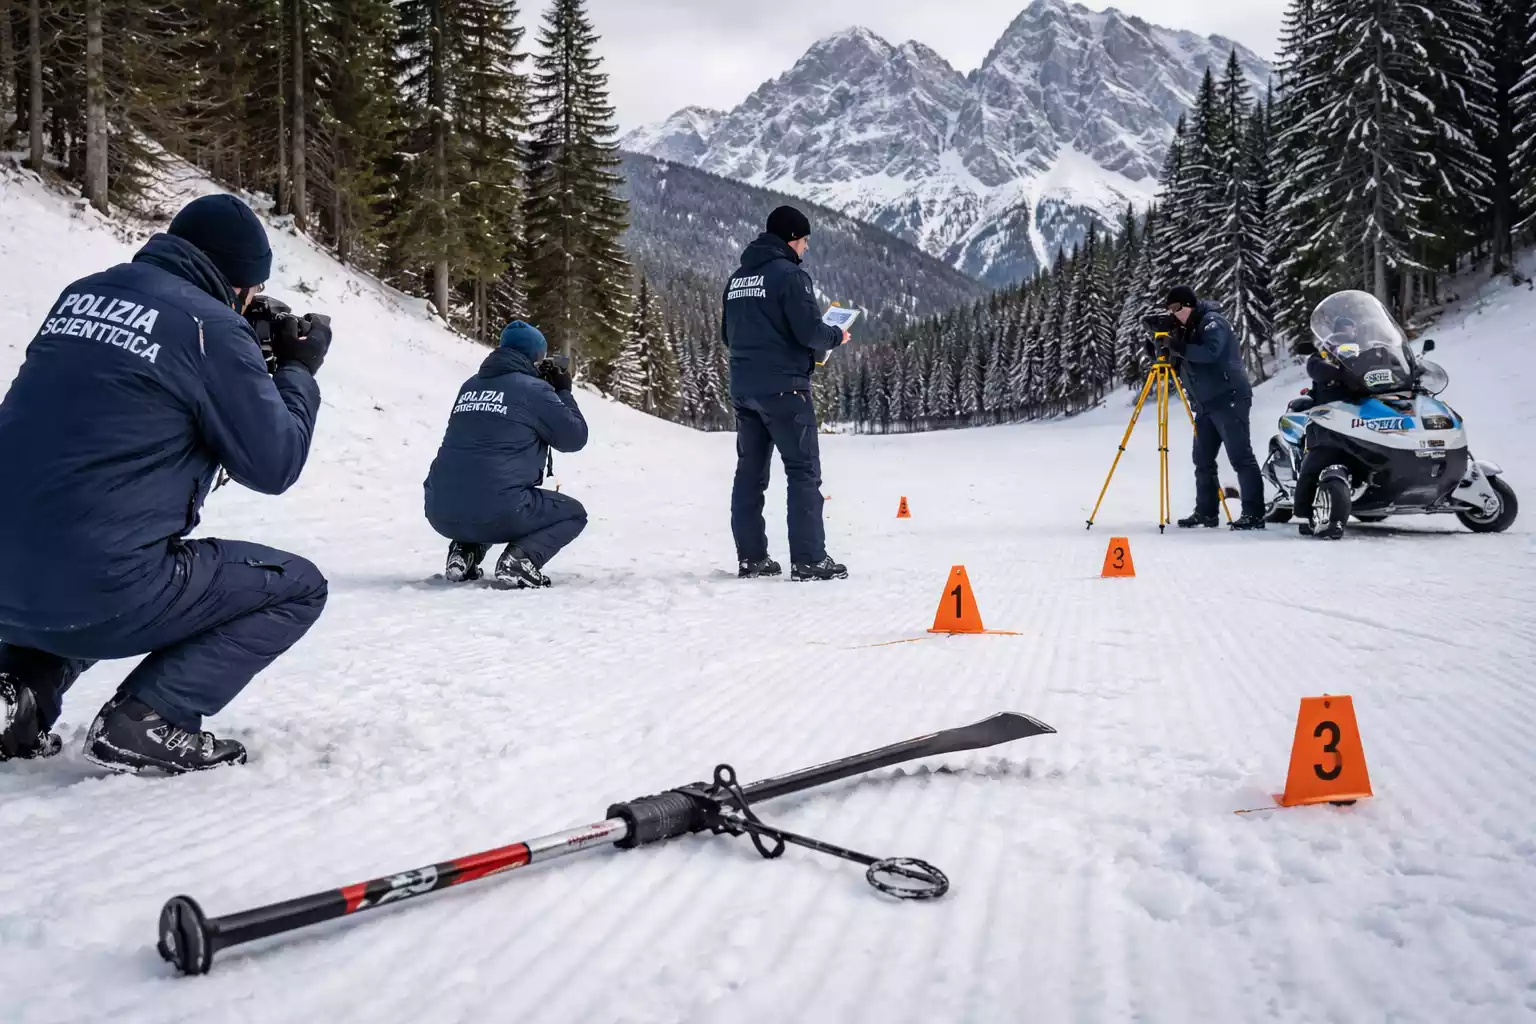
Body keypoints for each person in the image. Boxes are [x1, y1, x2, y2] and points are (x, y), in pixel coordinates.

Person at [0, 193, 331, 774]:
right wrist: (297, 370)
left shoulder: (79, 296)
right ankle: (151, 717)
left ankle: (15, 696)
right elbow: (275, 464)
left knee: (74, 537)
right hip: (100, 585)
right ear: (236, 284)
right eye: (252, 291)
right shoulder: (211, 330)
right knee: (298, 586)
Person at [723, 205, 851, 581]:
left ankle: (752, 559)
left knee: (749, 475)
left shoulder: (737, 279)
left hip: (744, 390)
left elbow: (726, 336)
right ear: (792, 238)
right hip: (785, 391)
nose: (806, 248)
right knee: (803, 471)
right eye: (805, 240)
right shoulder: (791, 276)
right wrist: (835, 336)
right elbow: (810, 332)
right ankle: (809, 559)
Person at [423, 320, 589, 589]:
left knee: (480, 483)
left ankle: (464, 552)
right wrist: (563, 392)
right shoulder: (534, 390)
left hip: (439, 509)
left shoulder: (470, 385)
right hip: (500, 508)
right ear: (535, 357)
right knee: (572, 514)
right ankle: (520, 560)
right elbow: (574, 438)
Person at [1162, 285, 1266, 531]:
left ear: (1189, 305)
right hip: (1205, 404)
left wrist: (1179, 346)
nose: (1174, 314)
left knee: (1240, 456)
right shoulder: (1186, 330)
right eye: (1170, 310)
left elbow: (1211, 352)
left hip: (1229, 398)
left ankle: (1254, 514)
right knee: (1202, 459)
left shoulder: (1212, 322)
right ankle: (1206, 512)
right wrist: (1165, 352)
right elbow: (1183, 366)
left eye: (1177, 308)